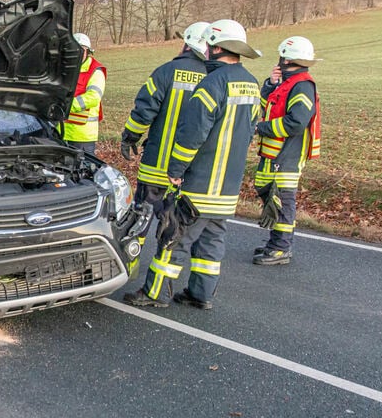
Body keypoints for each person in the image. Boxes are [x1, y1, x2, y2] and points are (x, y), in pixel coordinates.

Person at [124, 19, 261, 310]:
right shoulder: (252, 84)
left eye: (210, 45)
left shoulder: (212, 84)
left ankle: (156, 293)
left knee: (175, 238)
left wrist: (176, 170)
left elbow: (192, 135)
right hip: (228, 186)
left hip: (199, 183)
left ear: (217, 47)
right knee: (212, 241)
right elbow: (250, 130)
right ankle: (201, 294)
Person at [120, 21, 209, 273]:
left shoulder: (165, 72)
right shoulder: (214, 78)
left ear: (186, 44)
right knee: (173, 228)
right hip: (189, 173)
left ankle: (128, 268)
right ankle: (161, 282)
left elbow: (143, 112)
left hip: (156, 167)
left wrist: (130, 137)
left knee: (139, 221)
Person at [252, 36, 322, 265]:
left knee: (282, 198)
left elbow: (296, 122)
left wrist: (260, 128)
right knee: (267, 191)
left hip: (288, 153)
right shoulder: (286, 82)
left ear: (287, 57)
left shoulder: (302, 84)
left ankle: (281, 247)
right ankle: (278, 241)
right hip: (273, 152)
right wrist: (270, 85)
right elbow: (269, 106)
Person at [63, 33, 106, 154]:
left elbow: (93, 97)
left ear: (88, 52)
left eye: (82, 50)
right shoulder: (67, 69)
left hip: (82, 136)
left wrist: (67, 106)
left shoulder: (95, 71)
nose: (78, 54)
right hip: (61, 133)